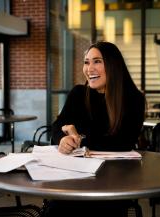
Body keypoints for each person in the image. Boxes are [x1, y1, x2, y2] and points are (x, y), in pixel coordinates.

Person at [45, 41, 145, 217]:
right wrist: (63, 139)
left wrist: (79, 138)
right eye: (86, 62)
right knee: (55, 211)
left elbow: (123, 142)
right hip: (75, 177)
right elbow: (58, 125)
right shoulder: (78, 94)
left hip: (114, 181)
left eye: (97, 61)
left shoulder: (133, 99)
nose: (89, 68)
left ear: (113, 65)